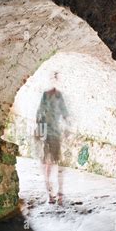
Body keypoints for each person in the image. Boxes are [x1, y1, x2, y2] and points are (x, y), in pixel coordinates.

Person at [35, 71, 70, 205]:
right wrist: (39, 131)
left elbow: (64, 112)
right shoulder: (45, 95)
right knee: (46, 163)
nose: (54, 81)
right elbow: (39, 113)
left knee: (56, 161)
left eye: (56, 78)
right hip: (45, 133)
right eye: (53, 78)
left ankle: (59, 191)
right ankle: (49, 193)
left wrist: (67, 127)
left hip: (55, 133)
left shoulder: (59, 96)